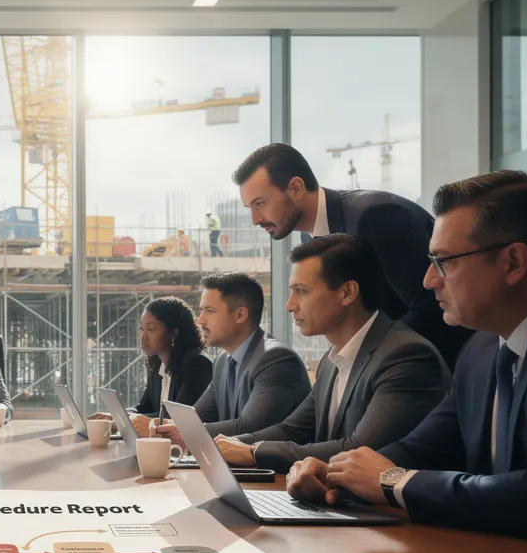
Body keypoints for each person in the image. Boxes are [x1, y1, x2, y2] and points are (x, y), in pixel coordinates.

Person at [286, 171, 527, 553]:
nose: (428, 281)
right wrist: (336, 474)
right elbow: (419, 449)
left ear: (513, 262)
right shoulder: (480, 351)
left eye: (443, 262)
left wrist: (391, 481)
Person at [216, 234, 450, 474]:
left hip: (387, 510)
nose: (290, 305)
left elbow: (360, 450)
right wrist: (226, 445)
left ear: (347, 292)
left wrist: (255, 452)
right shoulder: (331, 362)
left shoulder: (406, 356)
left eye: (301, 291)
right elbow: (292, 430)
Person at [234, 143, 473, 368]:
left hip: (441, 370)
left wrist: (362, 359)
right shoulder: (310, 238)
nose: (255, 220)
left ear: (296, 188)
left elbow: (429, 308)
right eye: (250, 208)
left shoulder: (376, 216)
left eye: (260, 204)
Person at [155, 272, 309, 445]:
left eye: (209, 311)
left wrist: (186, 431)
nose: (200, 321)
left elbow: (251, 427)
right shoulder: (222, 361)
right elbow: (197, 416)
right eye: (201, 310)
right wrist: (165, 425)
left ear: (240, 315)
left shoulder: (277, 360)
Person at [90, 297, 213, 438]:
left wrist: (122, 421)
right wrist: (114, 416)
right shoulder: (157, 364)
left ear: (173, 333)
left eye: (151, 329)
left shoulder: (197, 364)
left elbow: (174, 419)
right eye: (142, 329)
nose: (143, 336)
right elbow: (144, 408)